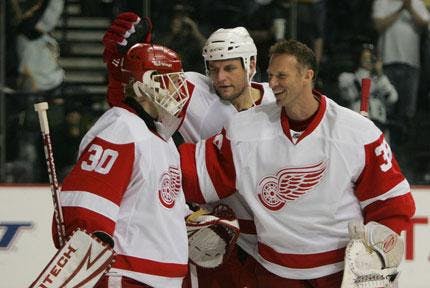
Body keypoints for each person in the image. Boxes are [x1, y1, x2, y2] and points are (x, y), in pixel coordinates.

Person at [179, 39, 415, 287]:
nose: (272, 83)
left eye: (281, 75)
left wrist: (378, 250)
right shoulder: (244, 129)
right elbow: (190, 175)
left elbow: (392, 203)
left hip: (339, 272)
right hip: (274, 273)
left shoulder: (356, 133)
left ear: (307, 76)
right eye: (270, 75)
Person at [56, 14, 193, 287]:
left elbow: (158, 206)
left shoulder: (162, 139)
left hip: (161, 278)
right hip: (129, 276)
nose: (176, 89)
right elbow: (84, 206)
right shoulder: (121, 129)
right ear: (141, 88)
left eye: (175, 79)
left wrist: (192, 222)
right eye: (165, 81)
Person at [177, 27, 276, 288]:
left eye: (229, 68)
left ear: (251, 64)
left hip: (274, 244)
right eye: (213, 68)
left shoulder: (279, 101)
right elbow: (142, 92)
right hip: (218, 242)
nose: (220, 78)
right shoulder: (194, 93)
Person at [372, 0, 429, 125]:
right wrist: (401, 9)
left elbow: (425, 24)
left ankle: (405, 140)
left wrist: (410, 8)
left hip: (411, 63)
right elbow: (378, 24)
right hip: (387, 62)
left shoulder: (416, 2)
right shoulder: (382, 2)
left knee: (408, 110)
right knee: (386, 107)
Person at [338, 44, 398, 133]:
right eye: (365, 57)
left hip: (379, 126)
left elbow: (392, 98)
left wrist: (380, 75)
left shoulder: (381, 80)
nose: (368, 60)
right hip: (357, 125)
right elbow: (348, 95)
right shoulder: (347, 77)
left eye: (371, 58)